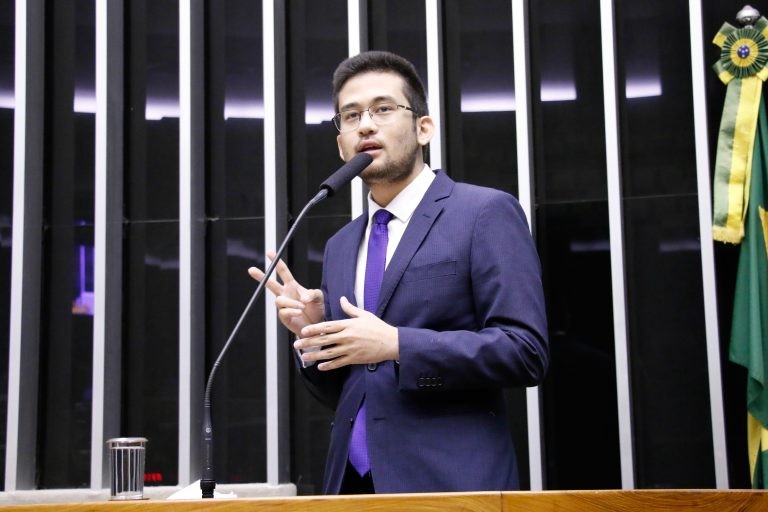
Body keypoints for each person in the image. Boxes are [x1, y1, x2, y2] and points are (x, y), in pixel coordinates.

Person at [249, 50, 548, 495]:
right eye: (350, 116)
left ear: (423, 128)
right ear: (341, 144)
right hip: (352, 489)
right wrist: (316, 339)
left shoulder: (483, 213)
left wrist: (397, 344)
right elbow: (356, 391)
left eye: (383, 109)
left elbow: (525, 351)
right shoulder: (341, 245)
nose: (365, 125)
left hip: (452, 487)